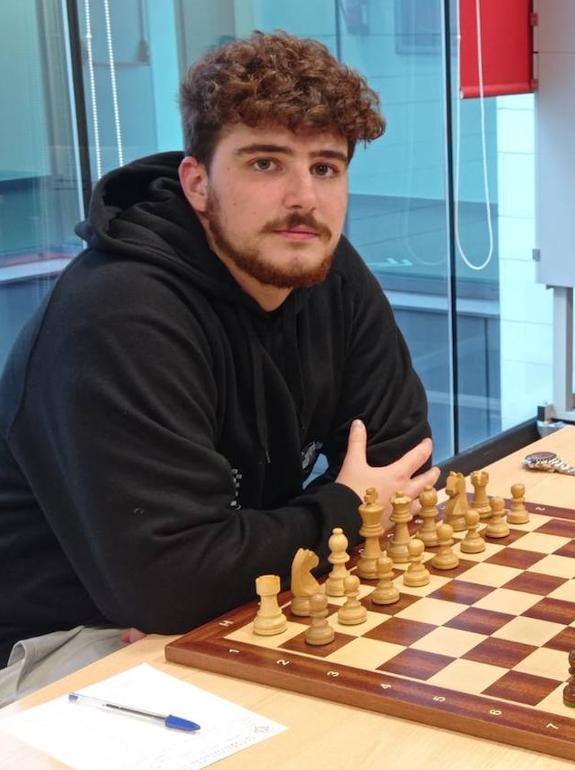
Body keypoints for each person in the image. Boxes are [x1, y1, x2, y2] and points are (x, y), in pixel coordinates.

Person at [0, 32, 440, 704]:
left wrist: (226, 570)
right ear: (198, 182)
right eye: (266, 164)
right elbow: (171, 581)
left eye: (326, 168)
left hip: (221, 605)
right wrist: (345, 509)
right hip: (67, 640)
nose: (304, 199)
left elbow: (401, 464)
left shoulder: (326, 268)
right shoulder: (118, 314)